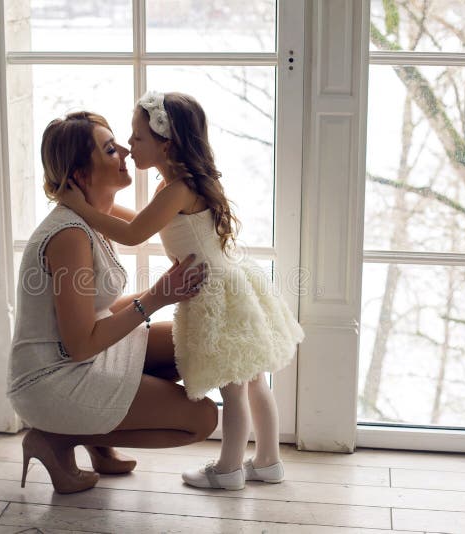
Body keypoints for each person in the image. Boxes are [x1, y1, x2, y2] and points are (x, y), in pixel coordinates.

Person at [59, 91, 305, 490]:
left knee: (234, 385)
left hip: (214, 296)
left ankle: (228, 469)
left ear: (165, 143)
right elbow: (140, 220)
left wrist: (82, 209)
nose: (129, 145)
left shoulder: (176, 189)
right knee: (254, 378)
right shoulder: (182, 183)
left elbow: (135, 233)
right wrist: (94, 207)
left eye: (137, 137)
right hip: (232, 283)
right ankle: (268, 460)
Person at [8, 111, 217, 495]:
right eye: (109, 149)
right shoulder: (69, 235)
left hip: (83, 357)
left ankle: (96, 438)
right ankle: (58, 438)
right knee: (202, 419)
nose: (124, 149)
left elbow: (97, 308)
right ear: (81, 176)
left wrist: (168, 288)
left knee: (201, 344)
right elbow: (80, 345)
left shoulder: (93, 217)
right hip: (55, 378)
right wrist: (156, 297)